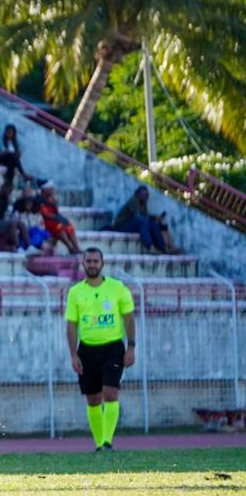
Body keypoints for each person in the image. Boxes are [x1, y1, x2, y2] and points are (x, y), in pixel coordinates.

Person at [66, 248, 136, 451]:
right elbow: (71, 325)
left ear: (102, 264)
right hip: (87, 349)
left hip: (113, 348)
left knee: (111, 392)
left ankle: (107, 441)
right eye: (88, 261)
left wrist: (131, 347)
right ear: (83, 264)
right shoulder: (75, 292)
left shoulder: (117, 288)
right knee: (93, 398)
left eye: (96, 261)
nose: (92, 265)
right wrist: (73, 354)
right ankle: (99, 445)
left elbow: (129, 318)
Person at [111, 185, 169, 254]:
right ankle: (149, 247)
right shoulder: (133, 200)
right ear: (138, 194)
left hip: (132, 224)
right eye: (144, 194)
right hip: (121, 226)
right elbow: (138, 217)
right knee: (142, 222)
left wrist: (156, 218)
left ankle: (163, 248)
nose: (146, 196)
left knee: (154, 224)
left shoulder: (143, 202)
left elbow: (146, 216)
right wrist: (151, 219)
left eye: (147, 195)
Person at [37, 182, 82, 254]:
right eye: (50, 189)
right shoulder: (39, 199)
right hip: (45, 222)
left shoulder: (51, 199)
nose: (52, 190)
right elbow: (45, 214)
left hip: (54, 220)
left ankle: (77, 247)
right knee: (59, 227)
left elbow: (56, 211)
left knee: (69, 226)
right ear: (44, 190)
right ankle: (70, 248)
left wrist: (55, 205)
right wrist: (57, 217)